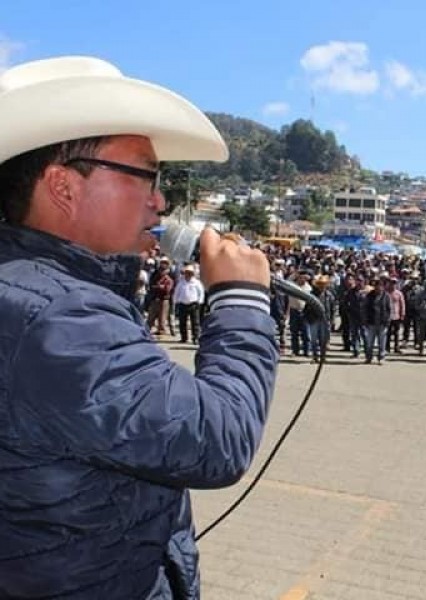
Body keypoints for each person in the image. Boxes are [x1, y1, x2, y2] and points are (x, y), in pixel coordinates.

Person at [0, 56, 279, 599]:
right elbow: (218, 437)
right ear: (62, 186)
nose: (160, 200)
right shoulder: (58, 317)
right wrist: (242, 301)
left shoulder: (34, 292)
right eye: (146, 175)